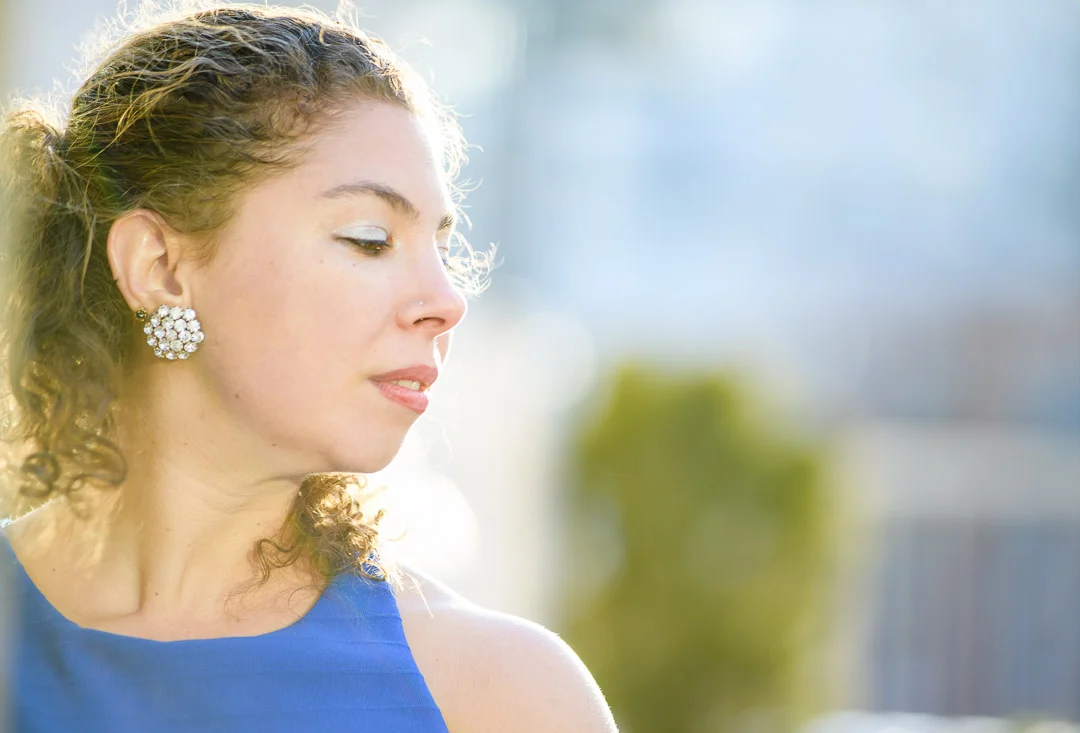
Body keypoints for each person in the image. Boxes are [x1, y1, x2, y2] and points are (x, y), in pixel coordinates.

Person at [0, 4, 618, 732]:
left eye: (443, 249)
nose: (448, 302)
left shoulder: (505, 697)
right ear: (159, 267)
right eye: (370, 239)